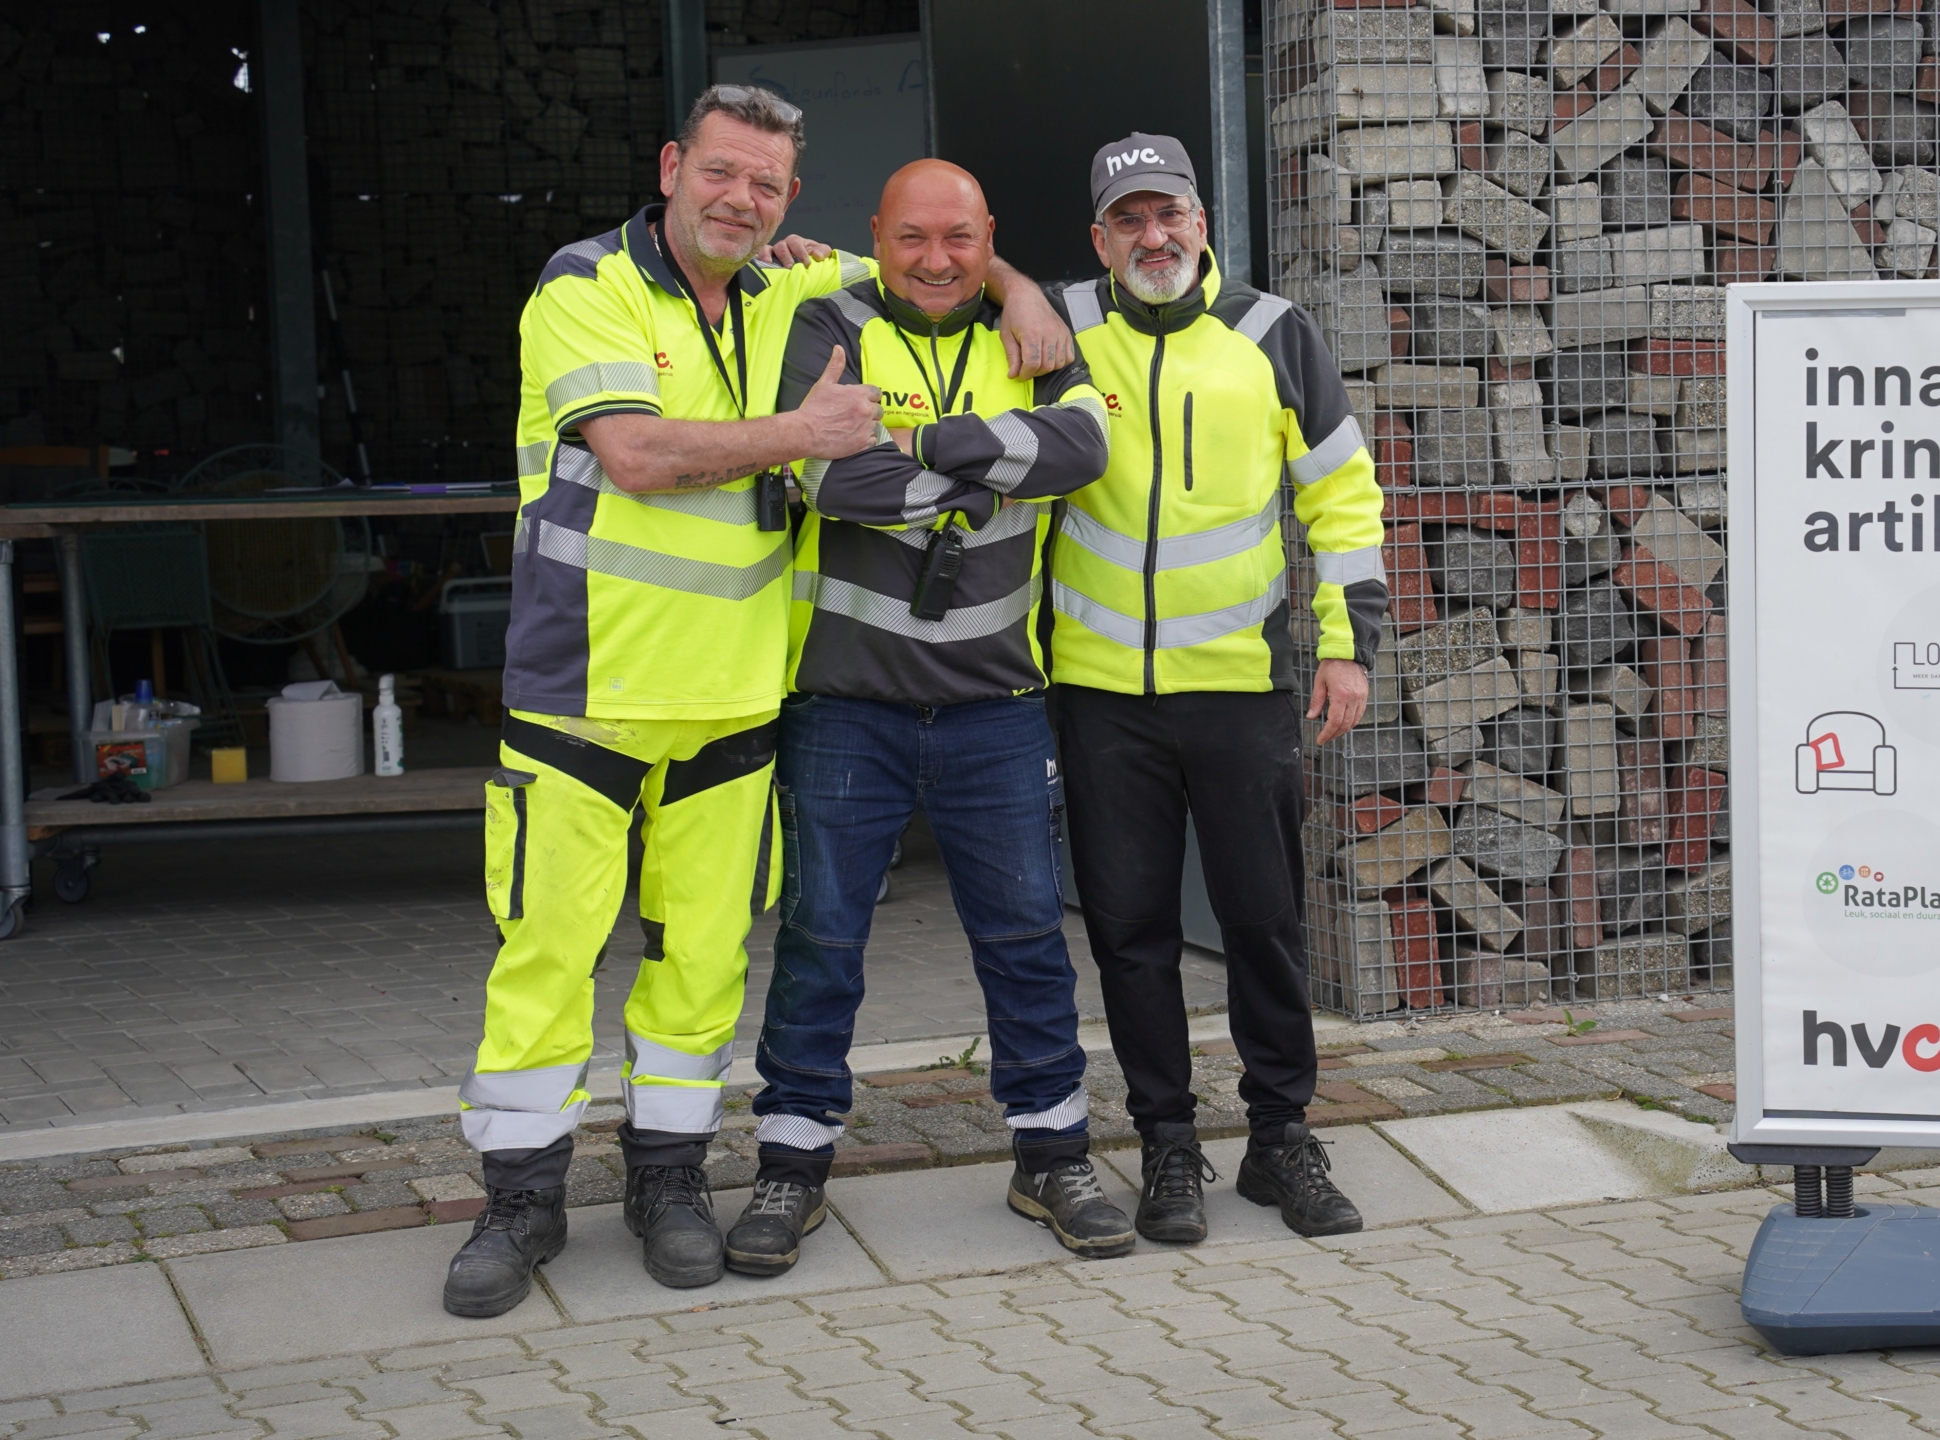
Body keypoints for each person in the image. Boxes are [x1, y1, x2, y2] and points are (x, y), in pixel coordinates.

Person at [444, 86, 1070, 1319]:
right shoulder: (587, 284)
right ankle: (518, 1202)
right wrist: (803, 429)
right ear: (675, 166)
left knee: (702, 968)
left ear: (791, 200)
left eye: (767, 186)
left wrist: (1022, 289)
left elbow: (935, 258)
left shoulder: (792, 284)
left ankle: (668, 1184)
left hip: (737, 702)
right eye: (722, 174)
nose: (740, 201)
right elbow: (637, 456)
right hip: (587, 698)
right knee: (547, 960)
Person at [726, 158, 1131, 1273]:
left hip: (995, 707)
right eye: (912, 238)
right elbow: (826, 481)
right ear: (876, 234)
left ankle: (1050, 1155)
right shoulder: (828, 317)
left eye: (960, 239)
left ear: (987, 236)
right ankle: (790, 1167)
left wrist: (915, 446)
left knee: (1023, 945)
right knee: (819, 946)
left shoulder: (1036, 332)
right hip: (845, 709)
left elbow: (1085, 451)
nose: (937, 260)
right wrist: (1000, 467)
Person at [1046, 135, 1388, 1244]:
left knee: (1264, 925)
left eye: (1170, 214)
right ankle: (1169, 1147)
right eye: (1129, 220)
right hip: (1099, 697)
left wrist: (1347, 647)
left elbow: (1341, 498)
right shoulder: (1052, 333)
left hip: (1241, 689)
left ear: (1203, 222)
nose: (1154, 236)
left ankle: (1280, 1139)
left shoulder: (1271, 332)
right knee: (1131, 934)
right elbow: (928, 286)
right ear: (1099, 238)